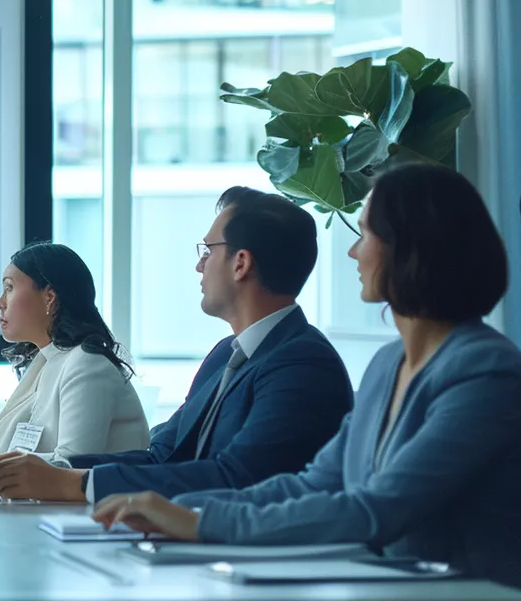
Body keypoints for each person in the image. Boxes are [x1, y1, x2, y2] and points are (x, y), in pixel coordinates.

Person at [94, 164, 521, 587]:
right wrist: (181, 509)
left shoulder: (486, 372)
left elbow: (376, 509)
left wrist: (199, 522)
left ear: (410, 247)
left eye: (365, 235)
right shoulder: (387, 365)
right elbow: (312, 484)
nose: (354, 252)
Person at [0, 188, 352, 503]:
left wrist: (73, 483)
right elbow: (162, 454)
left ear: (241, 263)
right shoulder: (226, 354)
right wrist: (52, 471)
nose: (199, 266)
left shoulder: (302, 364)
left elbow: (238, 478)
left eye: (207, 251)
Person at [0, 243, 148, 471]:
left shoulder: (88, 365)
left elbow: (73, 466)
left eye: (9, 288)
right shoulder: (46, 361)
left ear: (50, 297)